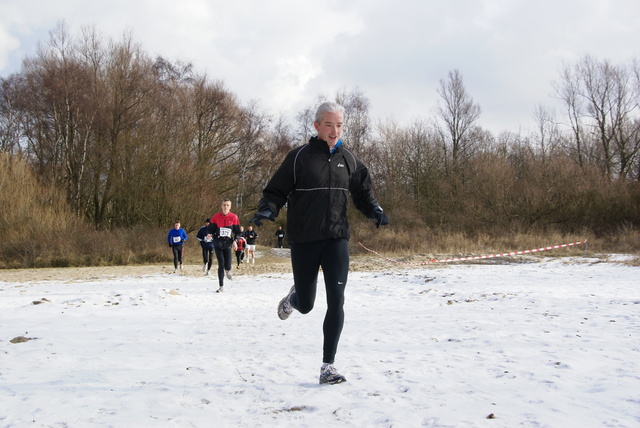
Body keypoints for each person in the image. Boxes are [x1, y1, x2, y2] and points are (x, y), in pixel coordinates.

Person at [250, 101, 389, 385]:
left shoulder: (349, 159)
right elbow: (275, 191)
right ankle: (293, 299)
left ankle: (328, 367)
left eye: (339, 125)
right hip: (304, 239)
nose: (334, 130)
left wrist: (375, 210)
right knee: (308, 304)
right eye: (329, 124)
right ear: (316, 126)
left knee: (337, 300)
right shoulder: (299, 157)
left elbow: (363, 193)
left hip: (336, 238)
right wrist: (268, 209)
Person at [208, 199, 241, 292]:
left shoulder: (234, 217)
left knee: (228, 265)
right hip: (218, 242)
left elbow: (238, 232)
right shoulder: (215, 217)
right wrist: (209, 234)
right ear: (221, 206)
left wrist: (235, 241)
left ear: (230, 207)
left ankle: (228, 271)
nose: (225, 207)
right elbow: (210, 228)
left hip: (227, 243)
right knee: (221, 264)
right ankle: (221, 286)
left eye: (227, 205)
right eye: (224, 205)